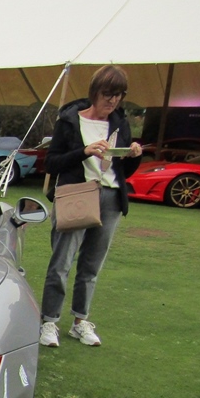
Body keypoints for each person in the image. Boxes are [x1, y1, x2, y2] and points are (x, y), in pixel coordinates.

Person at [39, 65, 143, 348]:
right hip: (76, 194)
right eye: (108, 94)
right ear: (96, 91)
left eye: (119, 95)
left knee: (91, 265)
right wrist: (83, 151)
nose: (113, 101)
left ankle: (80, 322)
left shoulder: (119, 123)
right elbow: (51, 163)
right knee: (61, 262)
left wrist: (133, 155)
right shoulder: (70, 120)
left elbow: (123, 171)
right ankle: (49, 321)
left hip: (110, 198)